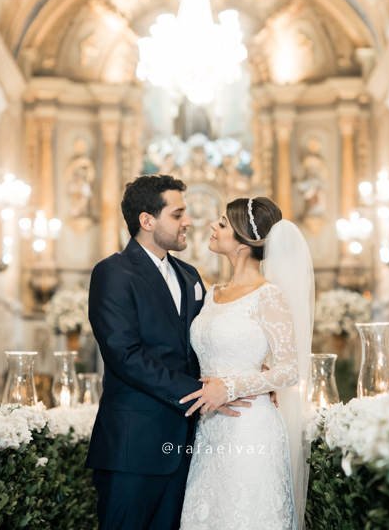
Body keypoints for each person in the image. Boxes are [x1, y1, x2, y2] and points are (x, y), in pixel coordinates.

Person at [86, 174, 248, 529]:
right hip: (132, 447)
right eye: (177, 214)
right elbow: (124, 355)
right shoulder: (113, 273)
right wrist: (199, 392)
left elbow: (204, 344)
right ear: (147, 221)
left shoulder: (189, 275)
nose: (188, 221)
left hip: (185, 445)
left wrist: (244, 378)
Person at [178, 196, 315, 529]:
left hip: (250, 425)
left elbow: (290, 369)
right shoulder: (211, 293)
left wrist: (231, 387)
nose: (213, 225)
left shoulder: (268, 295)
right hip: (210, 428)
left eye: (223, 223)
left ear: (243, 242)